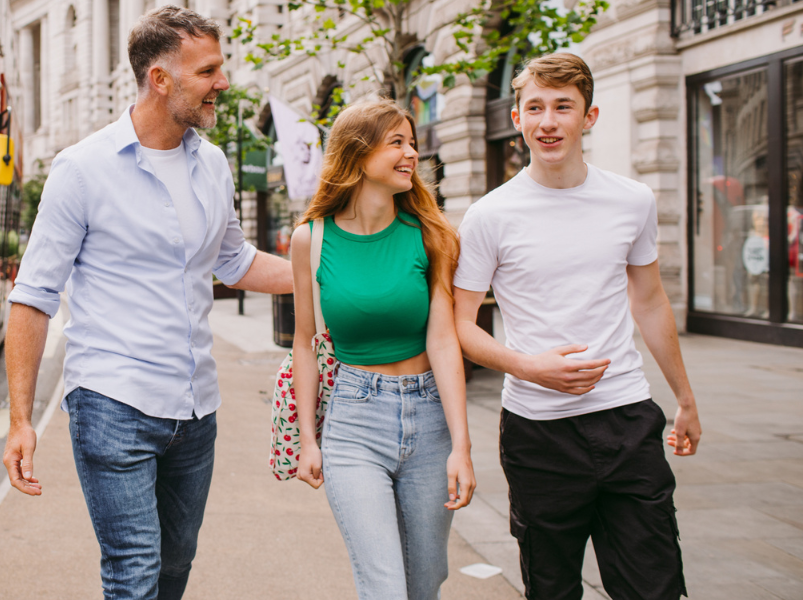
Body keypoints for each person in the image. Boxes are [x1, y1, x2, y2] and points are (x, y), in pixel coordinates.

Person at [0, 6, 293, 600]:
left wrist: (330, 274)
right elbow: (33, 298)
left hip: (196, 410)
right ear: (161, 79)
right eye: (208, 70)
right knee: (133, 572)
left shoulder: (212, 165)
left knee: (175, 565)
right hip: (113, 403)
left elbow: (234, 263)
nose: (224, 83)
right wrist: (20, 419)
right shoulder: (80, 170)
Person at [452, 53, 701, 600]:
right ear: (517, 118)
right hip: (538, 432)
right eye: (534, 107)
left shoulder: (633, 200)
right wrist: (528, 366)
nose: (548, 121)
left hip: (627, 419)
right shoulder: (490, 216)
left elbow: (652, 301)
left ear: (588, 117)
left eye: (563, 107)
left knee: (654, 586)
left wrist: (684, 398)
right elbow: (458, 326)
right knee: (552, 587)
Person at [290, 100, 476, 600]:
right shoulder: (310, 238)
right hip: (353, 422)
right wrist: (310, 437)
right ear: (357, 152)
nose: (411, 153)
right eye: (396, 142)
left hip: (430, 419)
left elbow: (443, 341)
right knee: (384, 585)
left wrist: (462, 444)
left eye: (412, 142)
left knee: (425, 579)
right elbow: (305, 344)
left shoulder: (432, 235)